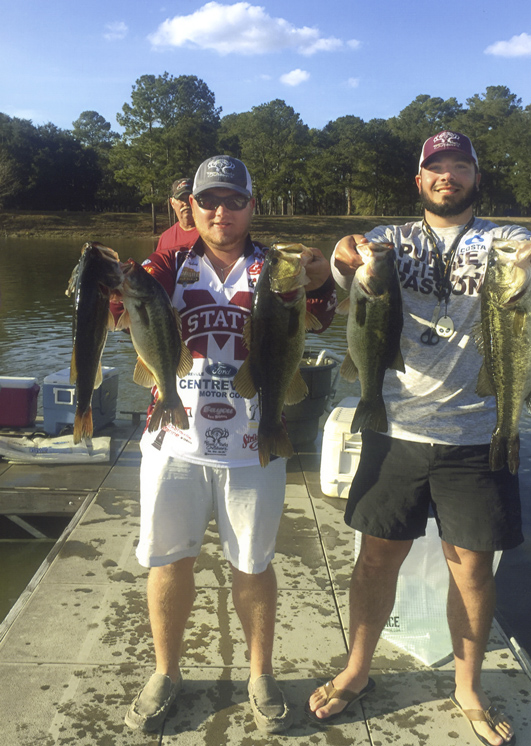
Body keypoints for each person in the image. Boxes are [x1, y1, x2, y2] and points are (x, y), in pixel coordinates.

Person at [306, 131, 531, 746]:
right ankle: (357, 670)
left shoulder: (504, 240)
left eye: (459, 166)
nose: (447, 175)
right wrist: (344, 258)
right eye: (436, 168)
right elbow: (350, 274)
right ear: (419, 180)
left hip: (479, 434)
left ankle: (467, 685)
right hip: (394, 427)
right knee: (375, 559)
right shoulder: (389, 240)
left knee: (473, 570)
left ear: (476, 177)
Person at [123, 155, 336, 734]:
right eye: (208, 200)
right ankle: (167, 672)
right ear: (189, 207)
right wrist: (103, 284)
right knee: (169, 561)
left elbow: (318, 318)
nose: (221, 211)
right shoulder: (169, 261)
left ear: (251, 205)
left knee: (253, 563)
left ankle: (260, 673)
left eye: (233, 200)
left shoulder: (277, 266)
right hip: (174, 439)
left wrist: (319, 279)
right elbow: (126, 305)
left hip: (252, 442)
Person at [155, 177, 199, 252]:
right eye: (181, 199)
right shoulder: (165, 238)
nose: (186, 203)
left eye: (190, 198)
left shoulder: (209, 232)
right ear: (172, 202)